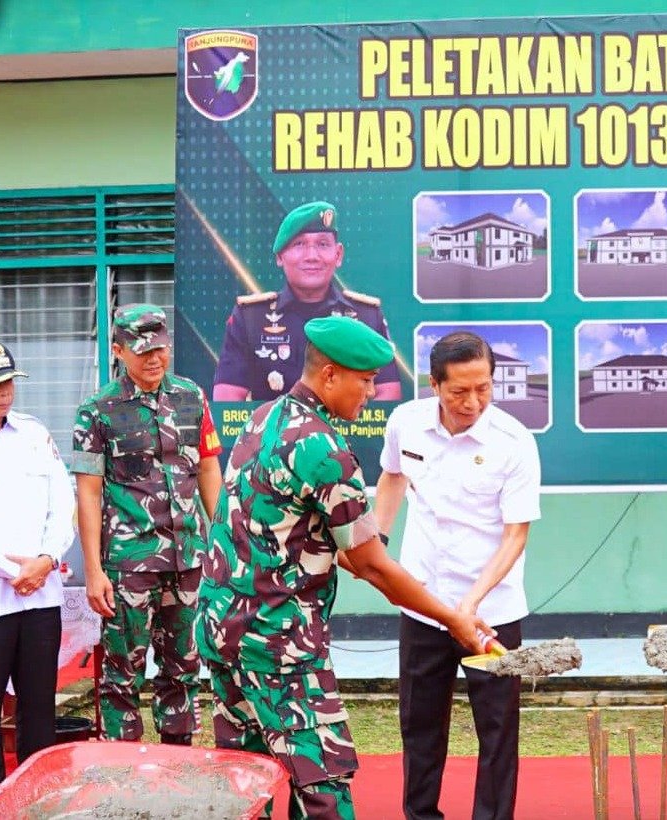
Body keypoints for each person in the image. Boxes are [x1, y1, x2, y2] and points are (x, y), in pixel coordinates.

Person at [197, 316, 491, 820]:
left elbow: (332, 545)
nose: (372, 393)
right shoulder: (324, 449)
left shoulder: (264, 416)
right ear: (330, 374)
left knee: (247, 782)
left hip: (222, 629)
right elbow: (371, 565)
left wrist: (375, 561)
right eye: (365, 380)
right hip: (279, 643)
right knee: (324, 788)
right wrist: (452, 619)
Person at [374, 331, 541, 820]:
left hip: (492, 613)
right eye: (459, 392)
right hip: (423, 603)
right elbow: (392, 476)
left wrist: (470, 605)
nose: (473, 402)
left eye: (484, 388)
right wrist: (376, 542)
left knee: (497, 730)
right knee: (419, 724)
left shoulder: (514, 441)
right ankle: (421, 814)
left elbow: (515, 536)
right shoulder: (405, 422)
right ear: (434, 385)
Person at [72, 304, 222, 744]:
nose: (155, 359)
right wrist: (94, 571)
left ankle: (178, 761)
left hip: (188, 560)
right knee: (122, 675)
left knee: (184, 669)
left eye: (160, 349)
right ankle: (122, 769)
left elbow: (208, 469)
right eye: (142, 351)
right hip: (129, 564)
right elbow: (88, 493)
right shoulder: (97, 411)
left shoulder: (191, 397)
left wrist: (221, 543)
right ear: (119, 351)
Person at [213, 200, 402, 402]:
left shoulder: (365, 316)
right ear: (280, 256)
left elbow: (388, 393)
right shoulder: (251, 317)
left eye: (322, 244)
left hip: (349, 424)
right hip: (274, 423)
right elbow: (227, 398)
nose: (312, 256)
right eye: (299, 244)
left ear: (338, 254)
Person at [0, 340, 74, 788]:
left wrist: (47, 559)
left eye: (8, 382)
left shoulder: (35, 433)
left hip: (40, 598)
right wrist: (13, 572)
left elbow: (62, 505)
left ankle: (36, 796)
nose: (3, 392)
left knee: (40, 710)